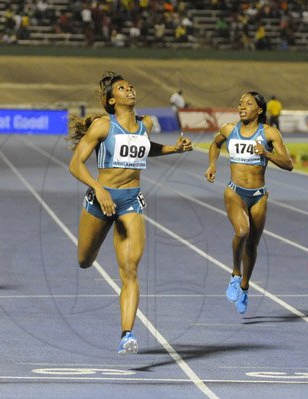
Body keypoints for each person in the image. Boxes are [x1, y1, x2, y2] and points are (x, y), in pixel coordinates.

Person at [68, 71, 193, 354]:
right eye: (123, 88)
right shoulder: (102, 126)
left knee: (130, 271)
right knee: (85, 260)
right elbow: (76, 164)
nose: (130, 90)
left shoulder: (145, 124)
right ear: (112, 100)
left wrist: (173, 149)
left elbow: (145, 149)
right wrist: (97, 189)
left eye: (131, 86)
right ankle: (92, 249)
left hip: (130, 202)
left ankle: (127, 334)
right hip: (101, 200)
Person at [204, 91, 293, 314]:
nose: (242, 107)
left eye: (248, 104)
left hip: (259, 195)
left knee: (252, 244)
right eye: (240, 103)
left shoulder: (269, 133)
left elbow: (288, 164)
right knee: (242, 232)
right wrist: (212, 165)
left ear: (259, 110)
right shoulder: (229, 129)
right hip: (235, 191)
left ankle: (244, 287)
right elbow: (214, 145)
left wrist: (266, 153)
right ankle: (235, 274)